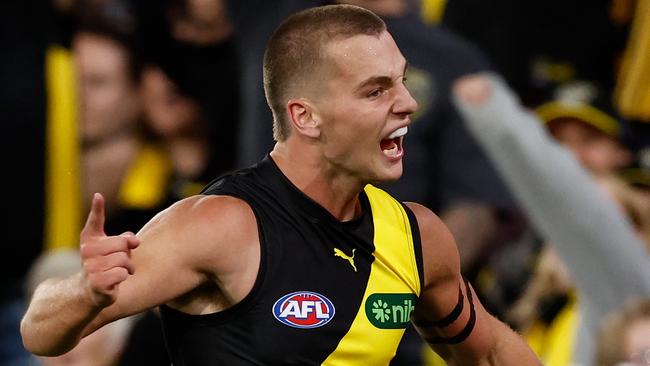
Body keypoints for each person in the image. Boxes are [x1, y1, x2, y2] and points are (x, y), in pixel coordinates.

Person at [21, 5, 540, 365]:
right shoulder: (219, 223)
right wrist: (86, 292)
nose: (407, 103)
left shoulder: (418, 236)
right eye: (376, 90)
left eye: (402, 81)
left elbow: (492, 353)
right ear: (305, 117)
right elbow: (40, 332)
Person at [451, 72, 650, 365]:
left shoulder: (628, 284)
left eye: (588, 140)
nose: (572, 157)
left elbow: (582, 210)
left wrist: (495, 116)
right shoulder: (519, 268)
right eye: (556, 142)